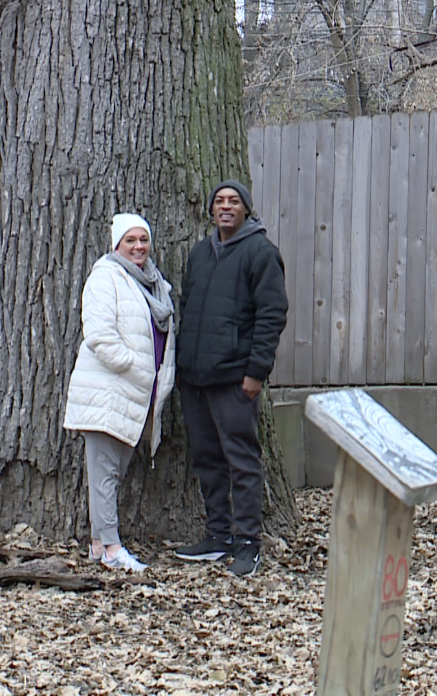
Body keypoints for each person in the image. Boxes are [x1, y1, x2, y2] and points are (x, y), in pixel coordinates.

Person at [173, 180, 288, 577]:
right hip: (196, 378)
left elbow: (272, 316)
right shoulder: (201, 254)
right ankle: (218, 536)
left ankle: (248, 544)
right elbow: (188, 307)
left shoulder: (261, 252)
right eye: (219, 202)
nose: (225, 207)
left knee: (242, 461)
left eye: (233, 202)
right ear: (211, 210)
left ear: (245, 210)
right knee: (207, 459)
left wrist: (256, 372)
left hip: (235, 379)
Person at [63, 213, 176, 573]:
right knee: (105, 473)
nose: (139, 247)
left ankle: (99, 544)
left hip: (136, 396)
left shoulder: (155, 284)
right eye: (131, 240)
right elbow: (100, 336)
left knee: (112, 473)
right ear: (116, 244)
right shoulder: (105, 278)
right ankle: (111, 548)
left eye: (144, 239)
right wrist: (138, 368)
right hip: (108, 392)